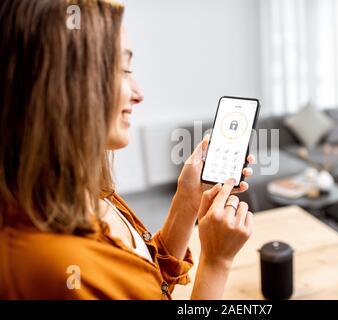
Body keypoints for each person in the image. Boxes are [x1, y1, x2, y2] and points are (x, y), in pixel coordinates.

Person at [0, 0, 254, 300]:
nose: (139, 94)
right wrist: (216, 262)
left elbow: (145, 281)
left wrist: (187, 200)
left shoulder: (87, 193)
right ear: (61, 86)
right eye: (121, 70)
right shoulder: (59, 267)